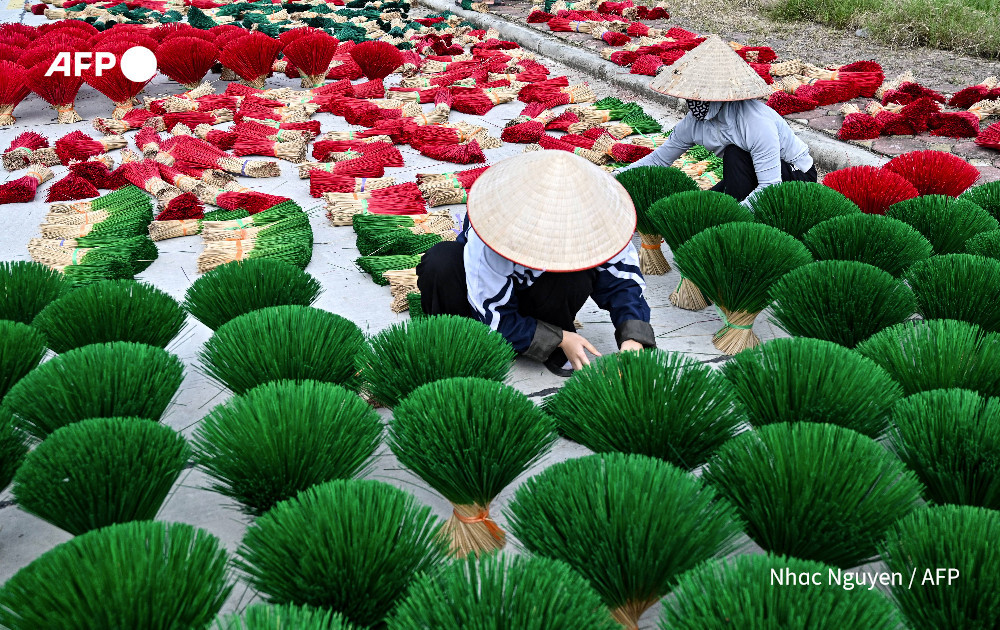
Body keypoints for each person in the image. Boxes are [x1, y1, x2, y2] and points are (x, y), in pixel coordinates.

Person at [416, 150, 656, 377]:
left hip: (542, 299)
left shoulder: (601, 220)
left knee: (576, 275)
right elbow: (492, 309)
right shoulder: (492, 229)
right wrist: (559, 339)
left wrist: (632, 338)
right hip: (478, 300)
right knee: (440, 262)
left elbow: (623, 283)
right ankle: (461, 339)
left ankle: (545, 336)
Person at [623, 34, 817, 204]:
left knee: (734, 156)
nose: (695, 101)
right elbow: (659, 159)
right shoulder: (694, 122)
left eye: (703, 95)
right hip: (748, 169)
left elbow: (769, 186)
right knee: (704, 204)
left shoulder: (755, 122)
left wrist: (732, 217)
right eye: (692, 95)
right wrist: (616, 178)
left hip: (795, 176)